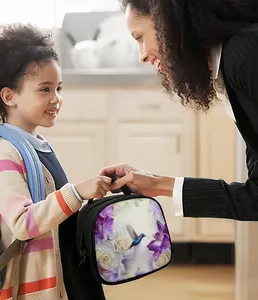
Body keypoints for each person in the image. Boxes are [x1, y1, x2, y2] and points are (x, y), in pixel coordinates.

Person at [0, 24, 111, 300]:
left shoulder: (37, 145)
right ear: (9, 96)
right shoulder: (5, 154)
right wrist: (78, 192)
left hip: (64, 273)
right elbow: (22, 223)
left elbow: (55, 210)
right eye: (44, 89)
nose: (56, 99)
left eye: (58, 88)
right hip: (37, 286)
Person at [100, 0, 258, 221]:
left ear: (169, 22)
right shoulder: (232, 60)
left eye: (140, 37)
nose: (142, 55)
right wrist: (157, 184)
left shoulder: (245, 54)